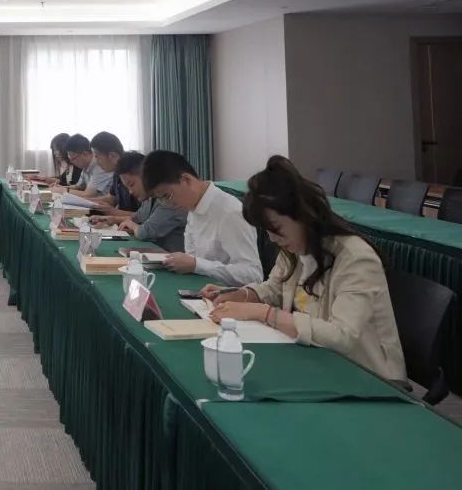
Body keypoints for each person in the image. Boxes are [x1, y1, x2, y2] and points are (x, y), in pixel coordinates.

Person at [203, 156, 406, 382]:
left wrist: (264, 313)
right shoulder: (293, 248)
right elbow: (275, 288)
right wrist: (243, 295)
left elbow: (343, 336)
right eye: (267, 231)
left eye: (276, 228)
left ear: (302, 214)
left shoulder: (356, 258)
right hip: (318, 361)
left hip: (368, 377)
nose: (272, 238)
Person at [141, 150, 262, 286]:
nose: (168, 204)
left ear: (186, 180)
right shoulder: (193, 207)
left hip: (228, 295)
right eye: (161, 199)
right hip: (201, 290)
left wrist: (196, 265)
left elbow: (253, 276)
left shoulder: (230, 212)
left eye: (167, 196)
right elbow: (193, 256)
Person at [91, 151, 187, 252]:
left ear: (146, 176)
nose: (130, 192)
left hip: (170, 257)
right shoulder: (150, 198)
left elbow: (144, 232)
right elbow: (137, 218)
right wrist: (112, 219)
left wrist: (132, 226)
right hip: (153, 253)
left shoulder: (170, 198)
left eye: (131, 184)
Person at [87, 131, 138, 214]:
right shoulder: (117, 173)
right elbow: (111, 199)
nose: (96, 162)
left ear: (112, 156)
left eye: (97, 156)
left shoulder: (134, 172)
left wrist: (113, 212)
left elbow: (143, 217)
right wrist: (82, 201)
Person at [53, 134, 108, 198]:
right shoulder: (85, 165)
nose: (71, 162)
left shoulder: (100, 166)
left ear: (85, 154)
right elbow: (79, 186)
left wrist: (63, 190)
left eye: (73, 158)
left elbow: (88, 194)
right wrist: (61, 187)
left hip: (100, 202)